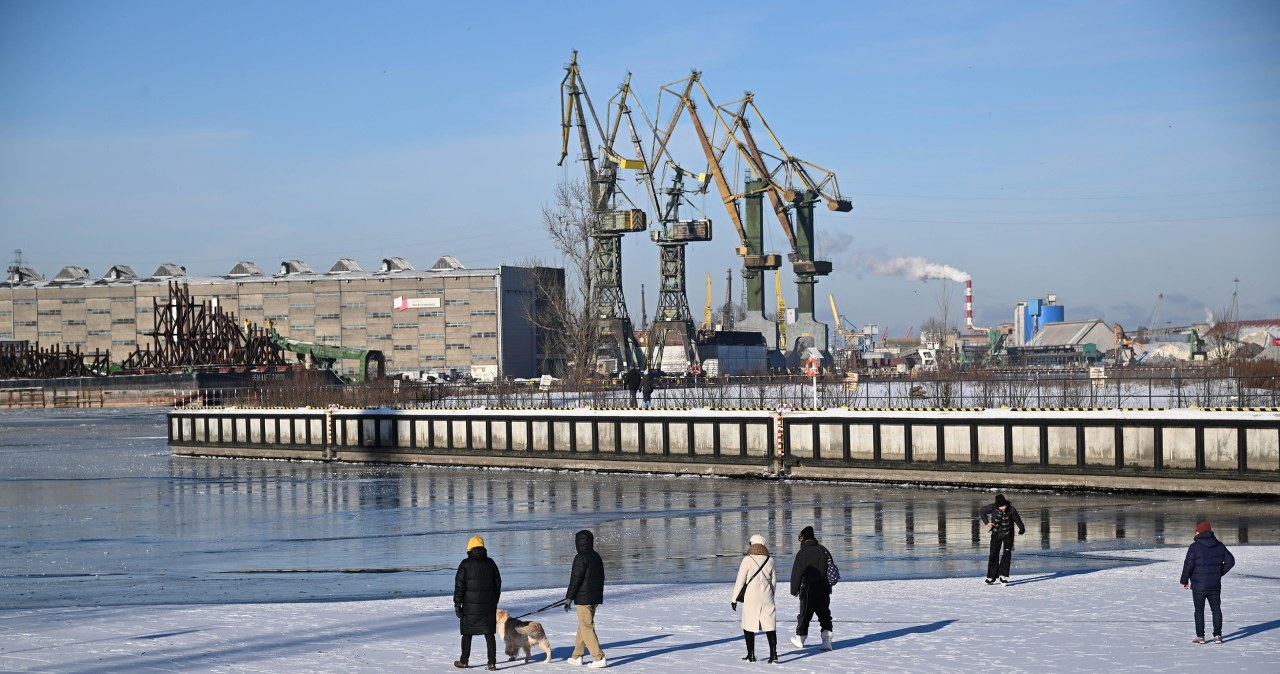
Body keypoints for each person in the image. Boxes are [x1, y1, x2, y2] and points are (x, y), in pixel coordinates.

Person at [1180, 520, 1235, 644]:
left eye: (1197, 530)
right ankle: (1217, 636)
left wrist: (1184, 580)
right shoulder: (1219, 545)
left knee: (1199, 610)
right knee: (1216, 609)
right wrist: (1219, 572)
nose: (1196, 532)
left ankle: (1200, 637)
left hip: (1199, 586)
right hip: (1214, 584)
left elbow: (1188, 565)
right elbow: (1230, 561)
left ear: (1201, 532)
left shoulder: (1194, 547)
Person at [454, 535, 501, 670]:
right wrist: (494, 601)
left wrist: (457, 604)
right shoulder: (491, 563)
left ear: (470, 548)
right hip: (488, 605)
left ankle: (464, 660)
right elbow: (498, 584)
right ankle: (491, 663)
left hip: (469, 607)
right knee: (489, 634)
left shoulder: (465, 564)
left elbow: (459, 587)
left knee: (467, 633)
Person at [731, 534, 778, 663]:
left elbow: (740, 581)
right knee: (770, 625)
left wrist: (734, 599)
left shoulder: (747, 560)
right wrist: (771, 594)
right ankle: (773, 655)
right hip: (766, 594)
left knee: (748, 624)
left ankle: (750, 654)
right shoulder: (770, 560)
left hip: (751, 595)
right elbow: (774, 582)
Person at [565, 529, 607, 668]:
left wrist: (569, 598)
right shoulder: (596, 556)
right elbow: (601, 577)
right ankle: (577, 656)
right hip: (594, 597)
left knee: (586, 627)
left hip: (584, 598)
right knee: (583, 626)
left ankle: (599, 657)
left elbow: (575, 580)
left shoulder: (580, 557)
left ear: (579, 542)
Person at [789, 525, 834, 651]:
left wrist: (794, 590)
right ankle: (826, 641)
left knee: (805, 614)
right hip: (824, 587)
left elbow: (796, 574)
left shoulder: (802, 553)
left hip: (808, 588)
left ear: (804, 538)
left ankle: (800, 639)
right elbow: (830, 568)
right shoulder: (823, 550)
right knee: (824, 613)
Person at [978, 493, 1026, 585]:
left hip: (1008, 535)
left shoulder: (1011, 509)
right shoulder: (992, 508)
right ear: (997, 506)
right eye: (1001, 506)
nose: (1003, 507)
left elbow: (1017, 519)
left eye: (1004, 505)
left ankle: (1003, 575)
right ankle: (991, 577)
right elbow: (982, 511)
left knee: (1007, 554)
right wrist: (986, 523)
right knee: (993, 554)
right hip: (996, 534)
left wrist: (1021, 528)